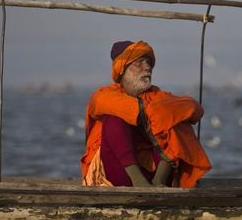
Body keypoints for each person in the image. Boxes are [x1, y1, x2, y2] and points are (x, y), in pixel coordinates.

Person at [80, 40, 211, 188]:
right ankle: (138, 181)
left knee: (175, 116)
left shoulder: (157, 96)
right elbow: (113, 106)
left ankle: (158, 180)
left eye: (148, 62)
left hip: (156, 176)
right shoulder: (104, 95)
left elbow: (194, 108)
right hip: (119, 174)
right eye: (139, 63)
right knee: (114, 118)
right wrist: (152, 112)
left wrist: (162, 113)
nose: (147, 67)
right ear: (122, 69)